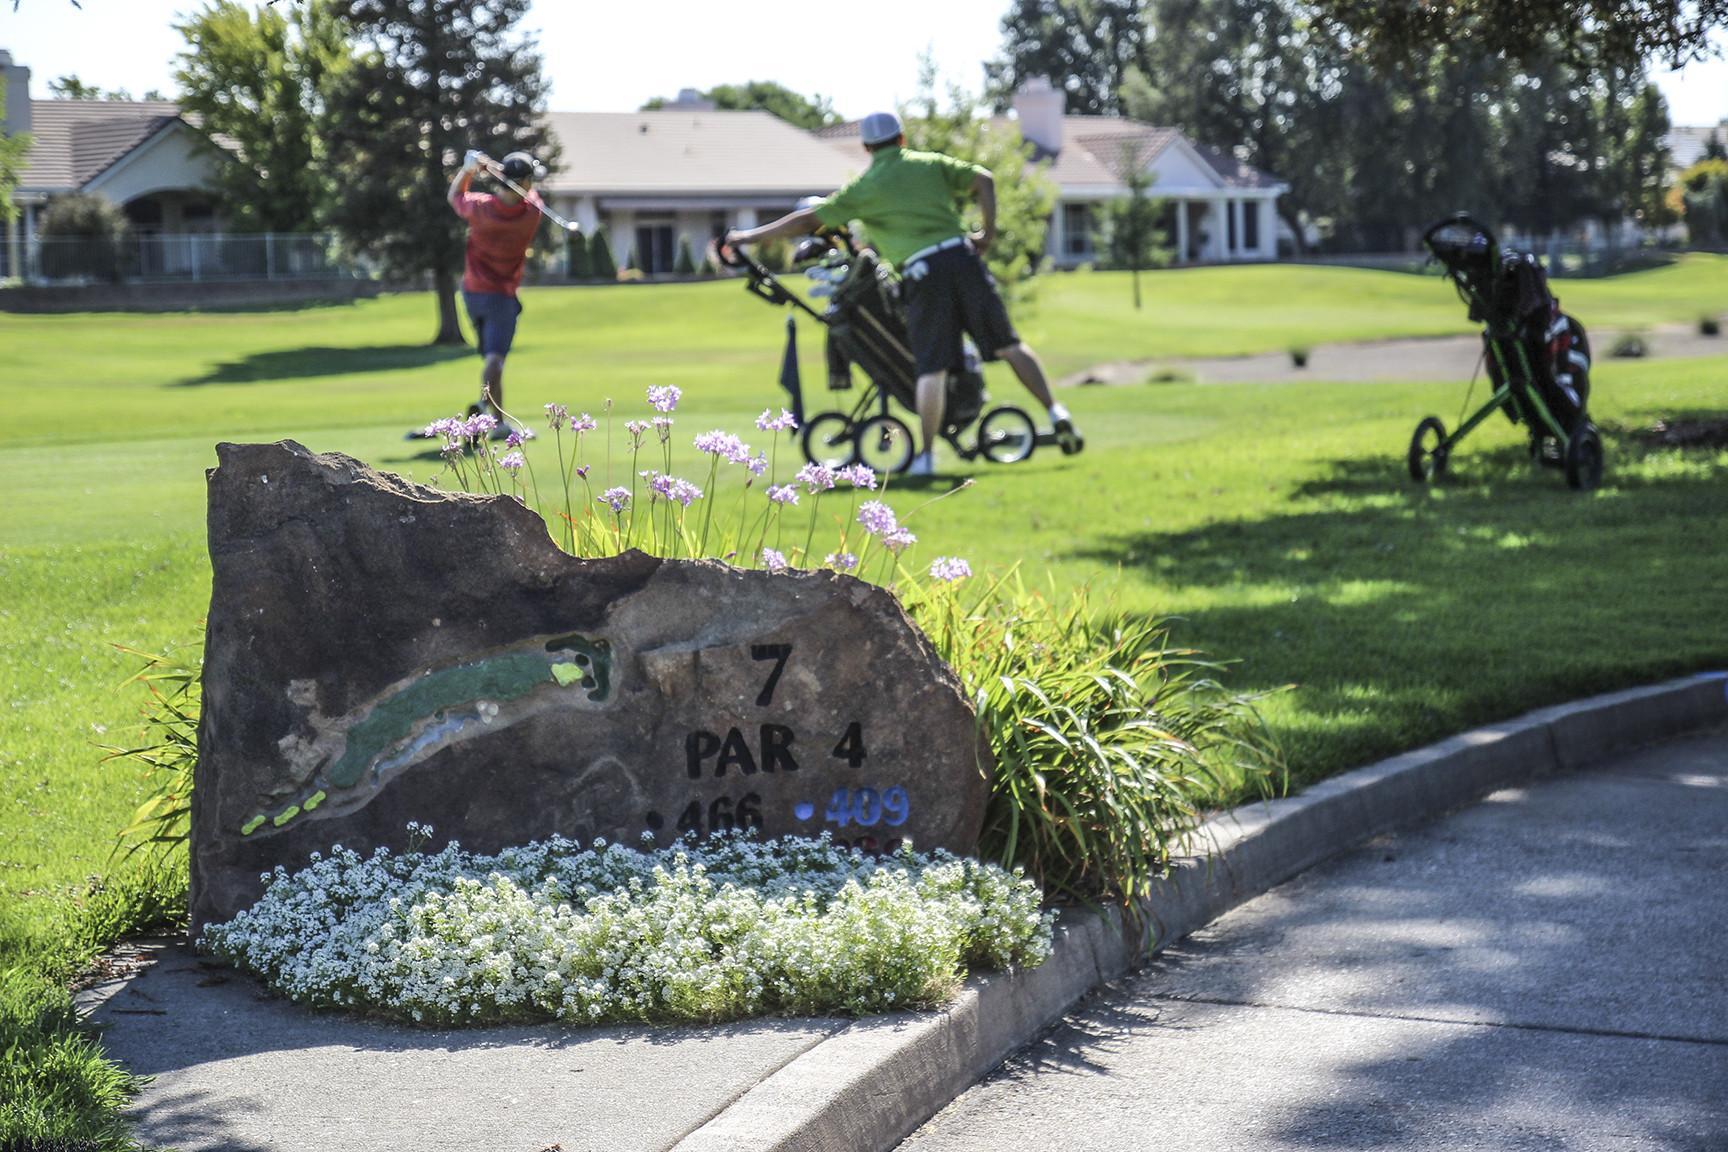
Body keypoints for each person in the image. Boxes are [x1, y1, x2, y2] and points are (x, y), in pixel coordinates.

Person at [724, 111, 1080, 475]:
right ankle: (1056, 411)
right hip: (963, 259)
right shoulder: (929, 165)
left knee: (932, 369)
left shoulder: (865, 188)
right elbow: (984, 181)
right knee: (1009, 344)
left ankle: (925, 457)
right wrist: (985, 236)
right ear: (902, 139)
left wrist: (748, 237)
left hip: (922, 273)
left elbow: (808, 220)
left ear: (866, 148)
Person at [447, 149, 546, 427]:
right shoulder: (531, 213)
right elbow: (531, 196)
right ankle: (484, 408)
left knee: (492, 359)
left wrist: (469, 170)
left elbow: (455, 197)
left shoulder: (482, 209)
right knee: (495, 360)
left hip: (471, 293)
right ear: (525, 182)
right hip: (501, 297)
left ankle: (499, 421)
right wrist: (499, 171)